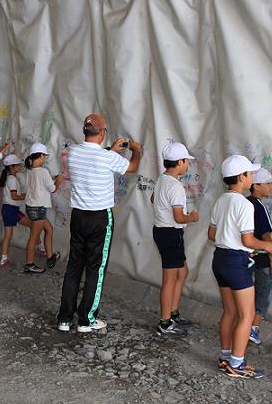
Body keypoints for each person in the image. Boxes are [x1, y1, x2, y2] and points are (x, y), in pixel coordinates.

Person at [57, 113, 141, 333]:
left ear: (84, 131)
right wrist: (137, 150)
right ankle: (87, 319)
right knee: (96, 268)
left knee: (74, 266)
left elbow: (93, 158)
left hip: (78, 216)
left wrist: (109, 150)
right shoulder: (106, 158)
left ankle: (64, 318)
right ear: (103, 132)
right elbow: (131, 167)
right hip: (99, 218)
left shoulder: (73, 152)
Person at [209, 155, 272, 379]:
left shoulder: (221, 200)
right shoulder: (245, 204)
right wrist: (265, 246)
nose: (252, 178)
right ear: (241, 177)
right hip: (236, 263)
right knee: (246, 315)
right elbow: (248, 241)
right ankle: (237, 364)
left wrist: (230, 240)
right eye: (250, 174)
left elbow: (212, 234)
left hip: (219, 258)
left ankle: (226, 356)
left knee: (229, 311)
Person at [151, 140, 200, 338]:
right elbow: (179, 217)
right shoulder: (176, 187)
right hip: (171, 233)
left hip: (163, 231)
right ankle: (164, 323)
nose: (187, 164)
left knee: (182, 272)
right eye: (186, 161)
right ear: (179, 162)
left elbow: (153, 199)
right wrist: (193, 217)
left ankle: (173, 313)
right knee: (170, 279)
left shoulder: (162, 179)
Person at [247, 167, 272, 346]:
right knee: (264, 291)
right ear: (256, 185)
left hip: (244, 257)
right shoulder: (259, 207)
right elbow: (267, 237)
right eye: (267, 184)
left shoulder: (244, 203)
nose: (270, 188)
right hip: (260, 257)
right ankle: (254, 326)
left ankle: (246, 323)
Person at [23, 143, 63, 274]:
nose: (45, 159)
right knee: (34, 237)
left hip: (31, 207)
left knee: (49, 229)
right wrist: (59, 180)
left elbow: (40, 182)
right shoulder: (44, 171)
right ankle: (29, 264)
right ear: (40, 155)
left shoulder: (29, 170)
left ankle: (50, 256)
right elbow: (53, 189)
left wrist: (53, 179)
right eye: (44, 156)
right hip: (38, 208)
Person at [0, 154, 30, 267]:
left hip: (8, 209)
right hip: (11, 210)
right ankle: (40, 247)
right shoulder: (12, 179)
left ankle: (4, 258)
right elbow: (14, 197)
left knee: (7, 235)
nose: (20, 167)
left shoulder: (10, 178)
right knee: (32, 225)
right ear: (12, 167)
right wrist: (28, 195)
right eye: (18, 165)